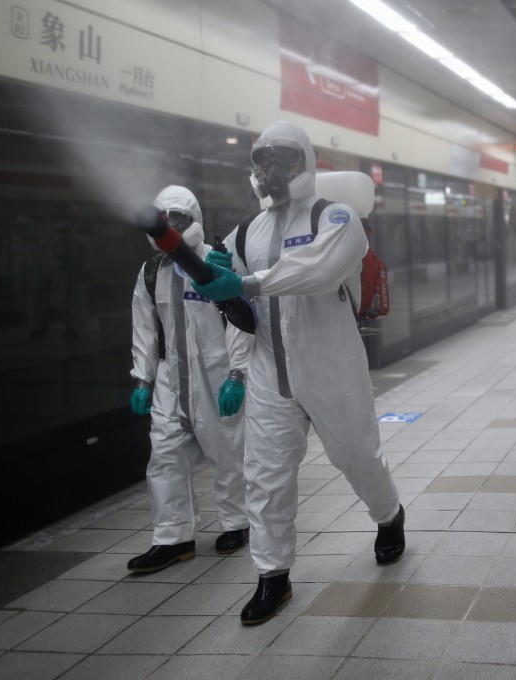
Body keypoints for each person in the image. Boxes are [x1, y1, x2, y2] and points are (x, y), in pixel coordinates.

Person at [193, 121, 404, 626]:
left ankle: (389, 515)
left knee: (358, 457)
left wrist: (245, 283)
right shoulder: (246, 232)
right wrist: (237, 371)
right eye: (262, 160)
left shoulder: (338, 217)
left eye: (283, 158)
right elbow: (240, 315)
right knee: (264, 478)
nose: (272, 170)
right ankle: (273, 577)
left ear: (306, 161)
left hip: (332, 367)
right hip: (270, 374)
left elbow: (317, 270)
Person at [128, 185, 251, 574]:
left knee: (228, 451)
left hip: (215, 374)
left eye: (180, 219)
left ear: (194, 218)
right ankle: (172, 537)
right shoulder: (152, 272)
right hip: (170, 377)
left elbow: (240, 321)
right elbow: (144, 329)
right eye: (168, 221)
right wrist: (144, 379)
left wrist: (237, 373)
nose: (174, 229)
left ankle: (236, 522)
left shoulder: (215, 263)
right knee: (164, 457)